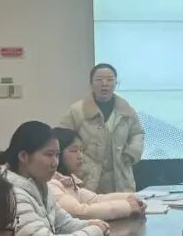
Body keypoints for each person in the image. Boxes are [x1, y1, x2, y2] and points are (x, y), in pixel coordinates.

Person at [4, 121, 108, 236]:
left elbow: (62, 223)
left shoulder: (40, 185)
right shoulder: (12, 192)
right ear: (23, 156)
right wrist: (93, 233)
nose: (55, 162)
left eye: (57, 155)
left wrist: (90, 225)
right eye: (49, 155)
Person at [57, 63, 145, 193]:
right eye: (99, 80)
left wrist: (132, 153)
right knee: (90, 204)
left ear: (116, 83)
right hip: (87, 177)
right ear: (91, 83)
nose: (104, 84)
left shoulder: (126, 110)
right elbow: (61, 136)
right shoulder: (76, 111)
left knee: (124, 204)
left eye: (110, 80)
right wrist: (80, 156)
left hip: (121, 177)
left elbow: (137, 133)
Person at [51, 128, 146, 220]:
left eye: (81, 150)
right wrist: (128, 207)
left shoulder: (69, 182)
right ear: (57, 154)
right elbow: (79, 212)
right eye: (74, 151)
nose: (80, 156)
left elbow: (96, 199)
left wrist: (130, 197)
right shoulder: (51, 185)